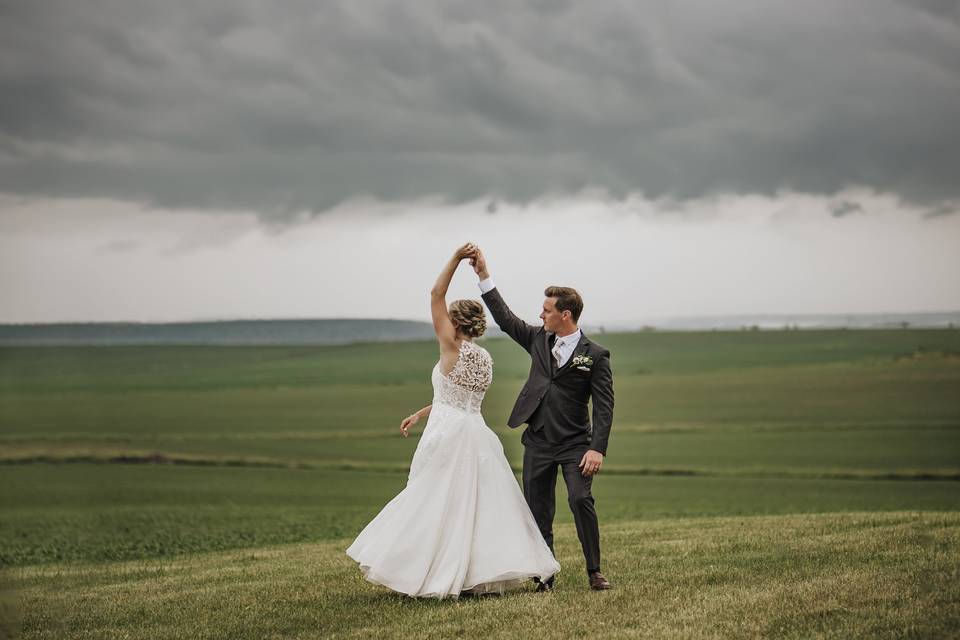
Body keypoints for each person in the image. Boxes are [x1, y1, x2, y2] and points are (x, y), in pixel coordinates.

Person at [345, 243, 560, 599]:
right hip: (475, 433)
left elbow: (435, 293)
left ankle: (429, 573)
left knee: (433, 500)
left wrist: (457, 259)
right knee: (473, 505)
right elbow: (459, 398)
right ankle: (475, 574)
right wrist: (420, 412)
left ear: (454, 323)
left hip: (447, 434)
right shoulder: (484, 359)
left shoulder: (450, 347)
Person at [469, 246, 614, 591]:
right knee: (538, 510)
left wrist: (597, 449)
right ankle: (545, 575)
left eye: (547, 310)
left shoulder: (595, 356)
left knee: (580, 500)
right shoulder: (537, 338)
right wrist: (483, 276)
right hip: (538, 441)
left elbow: (605, 406)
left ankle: (594, 571)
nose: (541, 314)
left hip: (576, 444)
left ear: (565, 314)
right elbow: (505, 319)